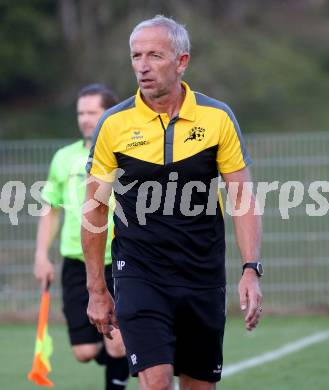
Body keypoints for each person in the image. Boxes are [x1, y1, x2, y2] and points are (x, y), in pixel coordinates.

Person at [82, 16, 263, 390]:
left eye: (155, 56)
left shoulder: (217, 118)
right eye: (136, 56)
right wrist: (97, 290)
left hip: (202, 272)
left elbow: (241, 198)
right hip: (139, 271)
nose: (142, 66)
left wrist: (250, 269)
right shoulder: (113, 125)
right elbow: (95, 210)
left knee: (199, 385)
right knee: (158, 381)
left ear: (182, 62)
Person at [34, 84, 129, 390]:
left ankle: (123, 358)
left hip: (120, 260)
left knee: (116, 343)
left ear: (109, 114)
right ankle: (130, 347)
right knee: (84, 352)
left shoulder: (126, 154)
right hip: (77, 262)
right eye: (81, 113)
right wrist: (41, 255)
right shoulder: (63, 158)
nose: (86, 119)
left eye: (93, 112)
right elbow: (51, 209)